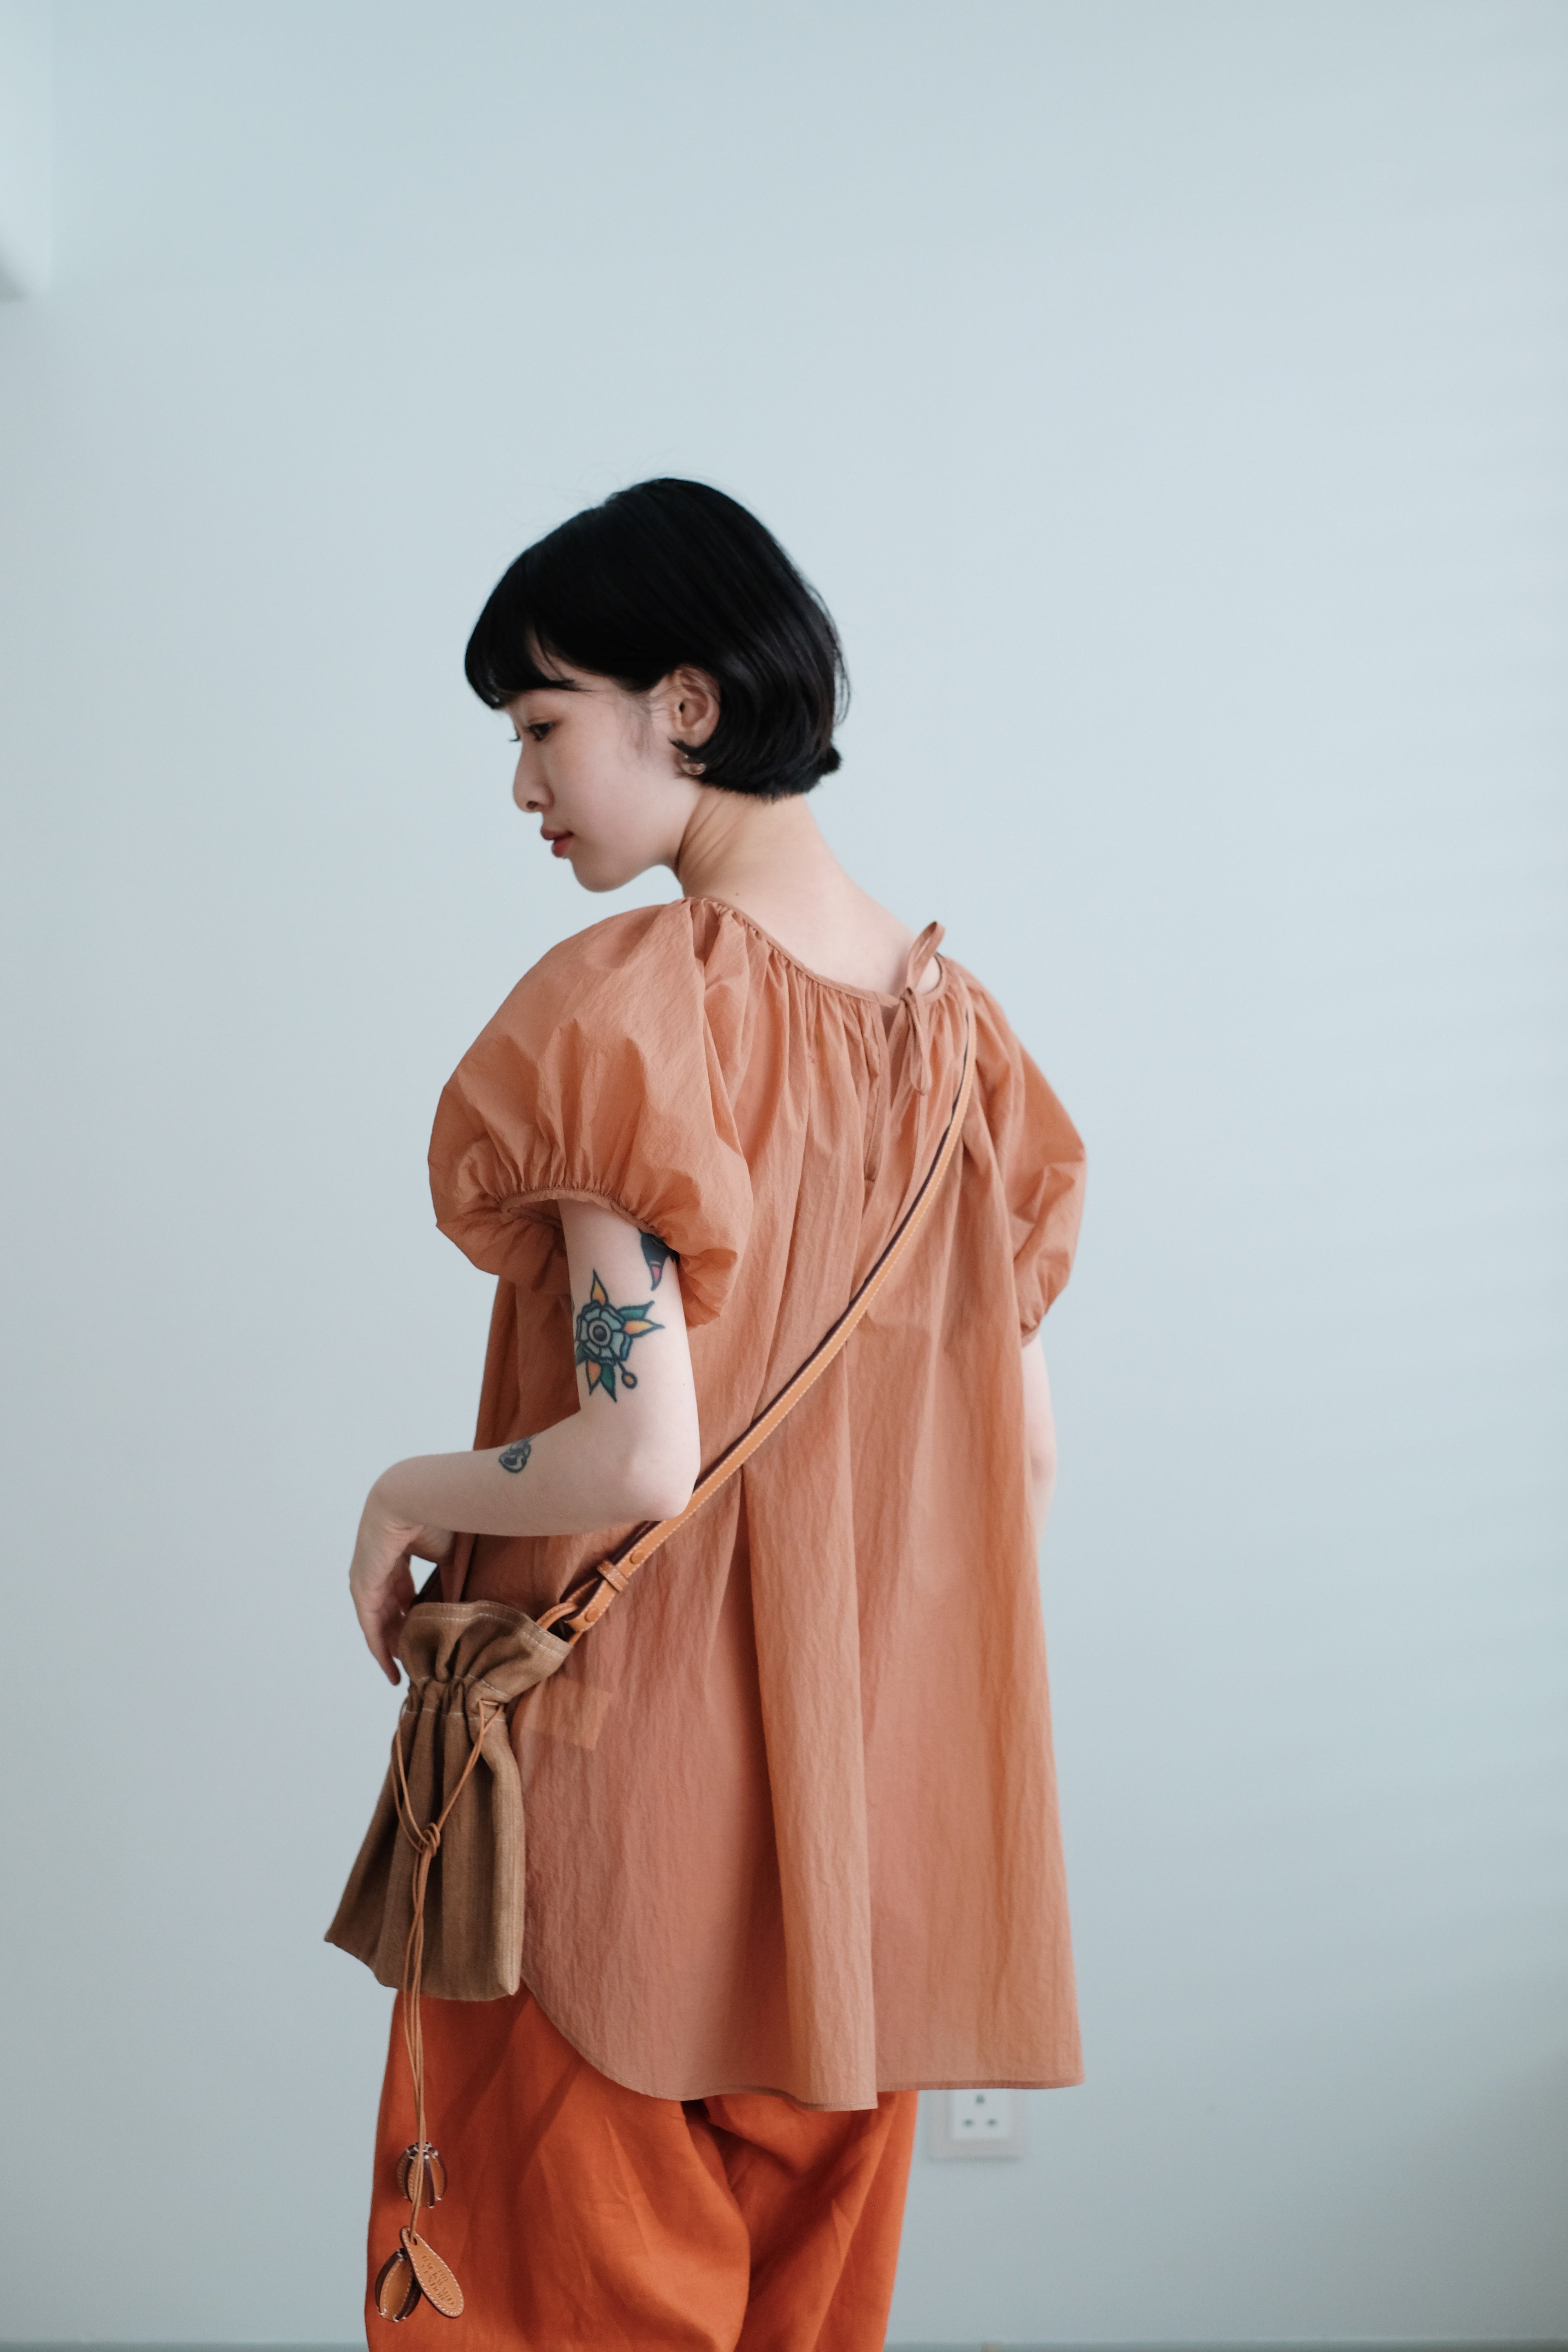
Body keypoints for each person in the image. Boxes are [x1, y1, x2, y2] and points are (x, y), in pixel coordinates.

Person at [346, 478, 1086, 2352]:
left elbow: (639, 1452)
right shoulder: (971, 1056)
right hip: (857, 1879)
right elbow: (1022, 1463)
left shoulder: (631, 1014)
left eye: (541, 725)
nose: (524, 786)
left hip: (610, 1842)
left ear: (684, 705)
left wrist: (402, 1491)